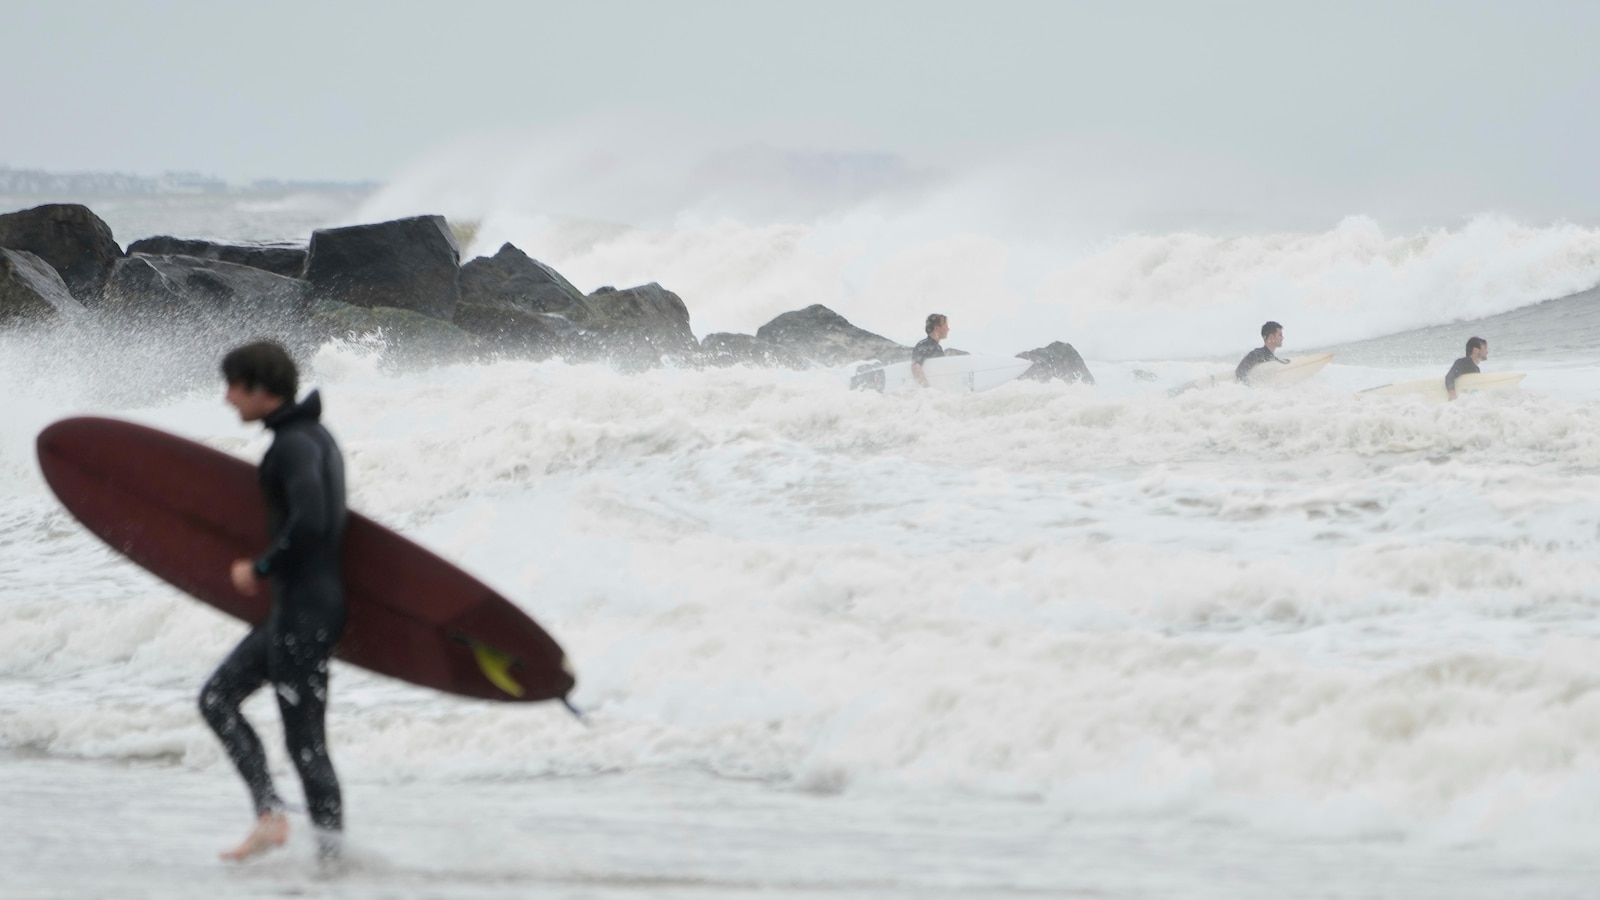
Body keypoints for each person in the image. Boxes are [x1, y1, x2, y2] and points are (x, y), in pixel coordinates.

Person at [201, 341, 349, 864]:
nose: (227, 398)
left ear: (260, 389)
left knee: (306, 744)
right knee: (217, 698)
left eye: (234, 387)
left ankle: (332, 863)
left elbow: (311, 521)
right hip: (300, 610)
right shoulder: (312, 437)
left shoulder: (292, 445)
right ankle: (270, 815)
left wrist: (261, 567)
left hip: (305, 614)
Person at [1446, 336, 1489, 401]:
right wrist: (1452, 393)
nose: (1487, 352)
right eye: (1485, 348)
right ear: (1475, 350)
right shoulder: (1463, 362)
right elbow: (1449, 377)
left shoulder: (1476, 369)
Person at [912, 313, 949, 388]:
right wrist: (927, 388)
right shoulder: (925, 345)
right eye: (945, 326)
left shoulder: (936, 347)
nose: (948, 329)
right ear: (936, 328)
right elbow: (915, 366)